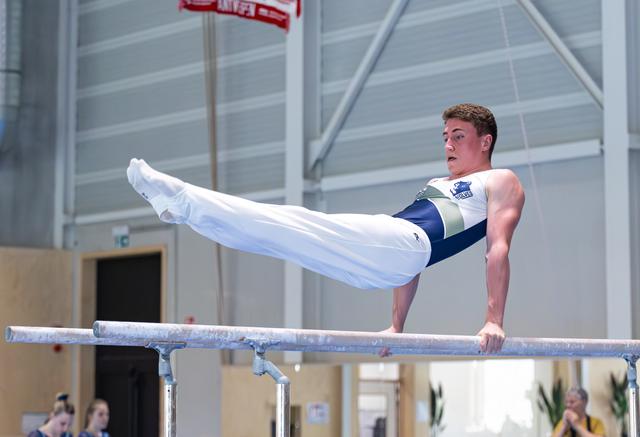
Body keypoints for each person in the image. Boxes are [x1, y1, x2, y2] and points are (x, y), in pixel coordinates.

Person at [126, 103, 524, 354]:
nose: (448, 146)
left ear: (485, 141)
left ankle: (181, 201)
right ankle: (182, 208)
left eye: (458, 137)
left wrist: (494, 319)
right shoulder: (438, 185)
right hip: (394, 255)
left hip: (402, 246)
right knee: (277, 237)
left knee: (292, 225)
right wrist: (397, 326)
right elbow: (408, 263)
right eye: (445, 137)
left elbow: (497, 249)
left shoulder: (500, 181)